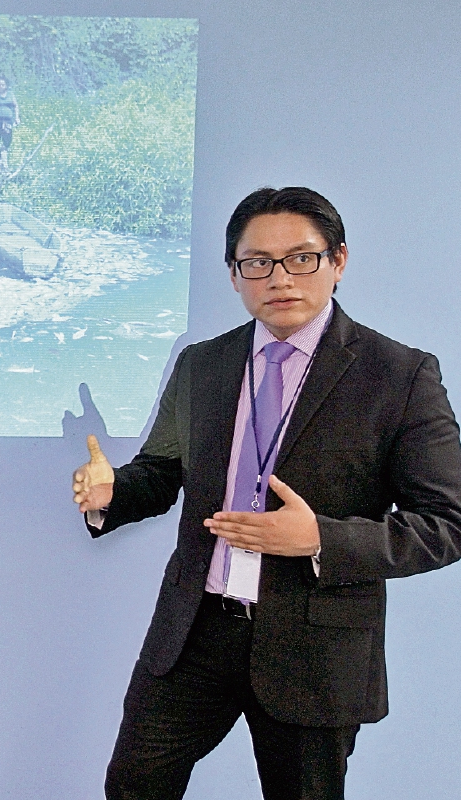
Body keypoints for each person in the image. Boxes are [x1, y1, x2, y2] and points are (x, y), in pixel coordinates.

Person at [71, 186, 461, 799]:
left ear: (338, 261)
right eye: (257, 263)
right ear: (234, 275)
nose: (279, 278)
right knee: (133, 787)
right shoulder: (203, 364)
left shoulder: (400, 375)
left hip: (314, 645)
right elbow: (160, 471)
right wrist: (111, 493)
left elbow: (446, 522)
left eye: (301, 258)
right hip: (195, 631)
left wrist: (319, 539)